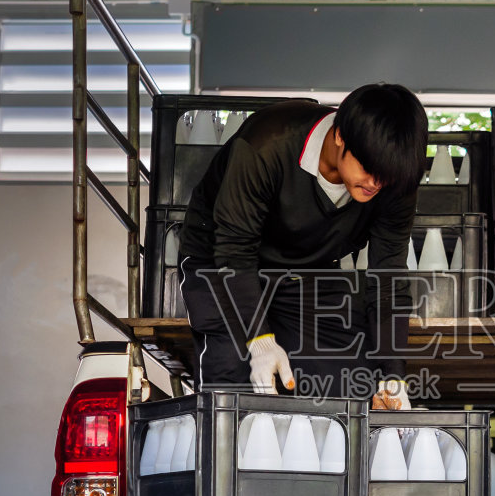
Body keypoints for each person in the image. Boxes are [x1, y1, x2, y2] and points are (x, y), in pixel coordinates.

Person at [176, 83, 427, 407]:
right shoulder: (265, 146)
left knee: (351, 386)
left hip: (307, 267)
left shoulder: (394, 181)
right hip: (221, 259)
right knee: (236, 382)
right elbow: (234, 251)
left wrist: (392, 375)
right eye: (369, 169)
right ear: (340, 136)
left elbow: (388, 274)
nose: (376, 184)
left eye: (387, 177)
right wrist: (261, 343)